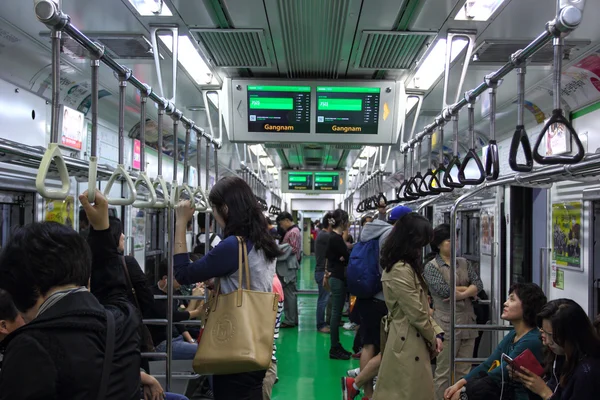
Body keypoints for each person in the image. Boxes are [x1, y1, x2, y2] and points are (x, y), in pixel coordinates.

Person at [0, 189, 141, 399]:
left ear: (30, 285)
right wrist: (102, 230)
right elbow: (114, 289)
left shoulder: (31, 346)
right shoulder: (123, 320)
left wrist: (101, 230)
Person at [173, 176, 280, 400]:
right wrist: (222, 282)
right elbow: (251, 282)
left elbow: (182, 273)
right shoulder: (264, 241)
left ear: (225, 208)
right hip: (258, 342)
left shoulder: (233, 245)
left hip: (235, 346)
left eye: (214, 209)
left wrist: (181, 223)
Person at [343, 205, 413, 400]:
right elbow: (388, 269)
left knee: (369, 345)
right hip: (381, 297)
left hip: (366, 296)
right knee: (388, 348)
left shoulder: (371, 232)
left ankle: (368, 392)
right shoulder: (390, 236)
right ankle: (356, 385)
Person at [372, 212, 444, 400]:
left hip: (412, 335)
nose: (423, 248)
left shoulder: (407, 266)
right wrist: (432, 336)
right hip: (407, 340)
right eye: (421, 242)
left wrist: (434, 331)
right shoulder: (399, 270)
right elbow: (416, 312)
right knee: (407, 392)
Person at [444, 283, 547, 400]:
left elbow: (499, 373)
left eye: (512, 300)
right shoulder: (514, 334)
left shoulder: (531, 340)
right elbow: (489, 363)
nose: (505, 303)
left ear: (527, 306)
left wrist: (464, 392)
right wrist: (460, 383)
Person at [423, 224, 484, 400]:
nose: (454, 243)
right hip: (445, 325)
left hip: (467, 322)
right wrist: (468, 292)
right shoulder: (431, 267)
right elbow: (443, 291)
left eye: (455, 239)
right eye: (450, 240)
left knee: (464, 370)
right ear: (439, 244)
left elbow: (478, 285)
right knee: (444, 370)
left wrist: (462, 292)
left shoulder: (463, 262)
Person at [511, 299, 600, 400]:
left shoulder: (587, 373)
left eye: (552, 335)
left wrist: (545, 392)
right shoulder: (560, 357)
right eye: (544, 332)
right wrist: (530, 383)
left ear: (571, 334)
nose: (548, 341)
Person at [147, 260, 202, 360]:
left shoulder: (175, 293)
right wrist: (196, 312)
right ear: (165, 279)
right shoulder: (152, 295)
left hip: (177, 338)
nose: (182, 281)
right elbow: (171, 315)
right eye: (179, 278)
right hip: (163, 344)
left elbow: (178, 322)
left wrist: (191, 341)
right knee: (202, 353)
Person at [327, 209, 352, 360]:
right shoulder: (336, 239)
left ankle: (336, 345)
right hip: (337, 278)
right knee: (336, 314)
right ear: (343, 222)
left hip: (335, 276)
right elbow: (347, 257)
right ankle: (334, 347)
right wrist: (344, 257)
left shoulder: (333, 237)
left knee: (335, 313)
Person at [276, 211, 301, 328]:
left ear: (287, 220)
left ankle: (290, 320)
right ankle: (293, 318)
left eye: (282, 224)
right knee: (291, 293)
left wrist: (277, 250)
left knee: (289, 294)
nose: (281, 226)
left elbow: (293, 249)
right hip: (289, 266)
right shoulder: (292, 232)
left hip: (288, 267)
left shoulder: (293, 232)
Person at [315, 212, 333, 333]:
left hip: (322, 271)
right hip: (323, 272)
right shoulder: (326, 236)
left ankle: (325, 321)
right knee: (323, 299)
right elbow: (343, 244)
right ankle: (321, 325)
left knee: (325, 298)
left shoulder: (322, 234)